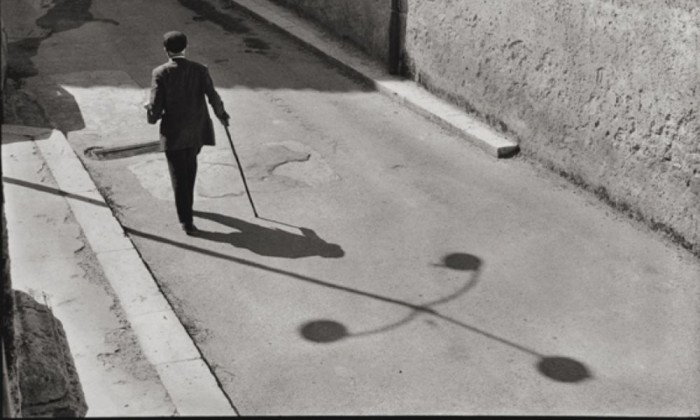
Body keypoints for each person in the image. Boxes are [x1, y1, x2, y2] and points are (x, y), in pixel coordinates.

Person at [145, 30, 229, 235]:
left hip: (174, 132)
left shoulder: (160, 73)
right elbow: (212, 94)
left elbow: (155, 107)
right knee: (189, 169)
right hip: (197, 131)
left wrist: (149, 113)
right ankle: (187, 206)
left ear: (165, 50)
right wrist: (222, 115)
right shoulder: (200, 69)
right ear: (186, 47)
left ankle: (186, 219)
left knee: (178, 176)